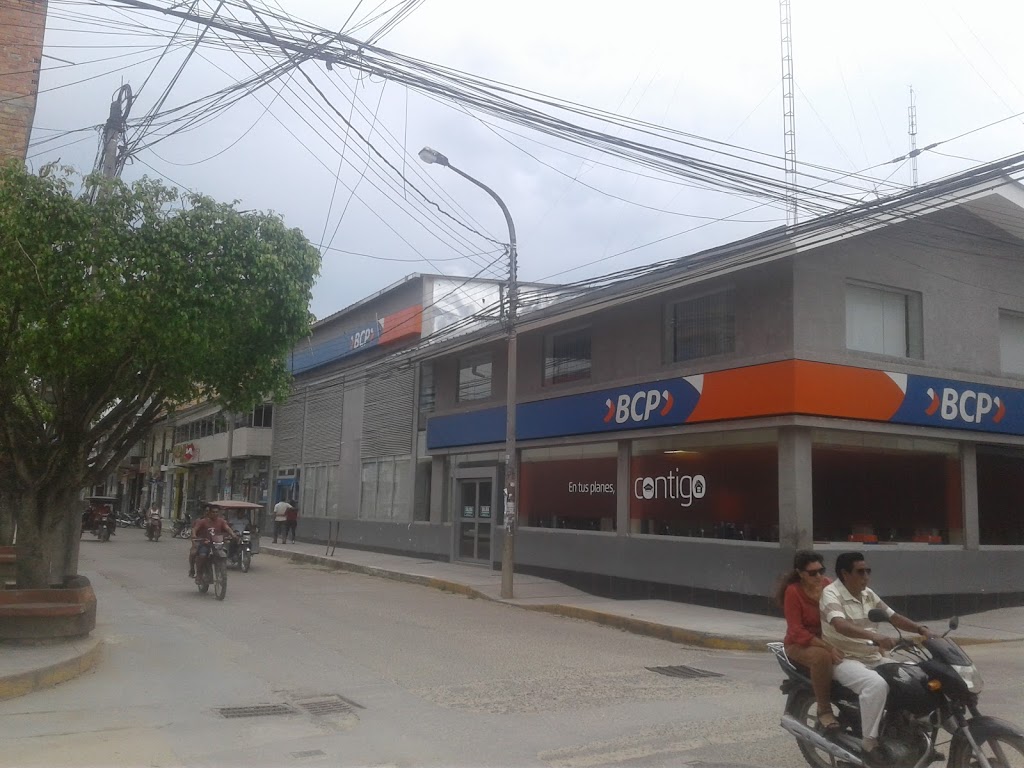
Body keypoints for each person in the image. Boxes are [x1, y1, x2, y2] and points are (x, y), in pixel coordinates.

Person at [820, 552, 932, 766]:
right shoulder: (831, 593)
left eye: (868, 571)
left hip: (872, 656)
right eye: (860, 572)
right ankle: (869, 744)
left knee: (916, 674)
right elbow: (840, 624)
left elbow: (893, 617)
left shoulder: (868, 594)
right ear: (845, 574)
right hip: (844, 658)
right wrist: (876, 637)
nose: (866, 577)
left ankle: (906, 728)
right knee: (875, 685)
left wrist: (921, 629)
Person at [775, 550, 843, 732]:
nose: (819, 576)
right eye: (813, 573)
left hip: (828, 639)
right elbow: (796, 631)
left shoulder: (828, 586)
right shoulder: (793, 592)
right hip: (799, 644)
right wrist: (828, 647)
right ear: (800, 573)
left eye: (821, 571)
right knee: (822, 657)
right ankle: (824, 710)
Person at [188, 505, 239, 581]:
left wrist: (233, 535)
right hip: (205, 543)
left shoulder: (221, 521)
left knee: (224, 553)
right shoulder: (202, 521)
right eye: (213, 512)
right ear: (209, 513)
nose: (215, 514)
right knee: (202, 556)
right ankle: (199, 574)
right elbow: (195, 529)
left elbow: (228, 528)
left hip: (217, 544)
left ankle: (222, 570)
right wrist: (194, 535)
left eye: (216, 512)